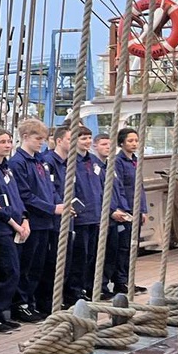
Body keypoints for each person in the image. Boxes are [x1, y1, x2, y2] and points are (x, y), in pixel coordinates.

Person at [9, 119, 62, 321]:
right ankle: (20, 304)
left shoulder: (41, 161)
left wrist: (59, 204)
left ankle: (31, 301)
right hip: (33, 222)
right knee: (27, 265)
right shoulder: (18, 163)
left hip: (46, 222)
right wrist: (51, 208)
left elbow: (50, 188)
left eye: (43, 139)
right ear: (25, 137)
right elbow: (25, 194)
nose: (42, 142)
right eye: (38, 138)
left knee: (39, 264)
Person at [0, 128, 30, 333]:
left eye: (10, 141)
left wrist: (25, 218)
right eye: (2, 142)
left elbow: (16, 196)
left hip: (16, 225)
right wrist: (13, 222)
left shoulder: (6, 168)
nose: (8, 145)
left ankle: (1, 312)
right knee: (6, 271)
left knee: (15, 270)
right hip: (1, 228)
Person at [105, 127, 147, 297]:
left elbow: (140, 187)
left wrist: (143, 210)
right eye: (130, 141)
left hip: (136, 210)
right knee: (122, 248)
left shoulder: (135, 161)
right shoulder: (118, 162)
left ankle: (128, 279)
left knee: (132, 247)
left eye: (136, 140)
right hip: (126, 211)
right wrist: (123, 210)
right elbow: (118, 187)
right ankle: (120, 282)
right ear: (121, 142)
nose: (134, 144)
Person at [67, 125, 102, 304]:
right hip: (79, 218)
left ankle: (86, 286)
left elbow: (100, 187)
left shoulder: (93, 161)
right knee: (79, 256)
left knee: (91, 256)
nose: (87, 141)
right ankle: (74, 290)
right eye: (83, 138)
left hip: (94, 216)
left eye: (89, 138)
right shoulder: (70, 162)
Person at [39, 127, 71, 313]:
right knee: (51, 262)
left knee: (67, 261)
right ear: (59, 141)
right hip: (52, 219)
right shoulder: (48, 161)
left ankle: (60, 297)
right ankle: (46, 301)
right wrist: (54, 207)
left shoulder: (69, 162)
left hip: (65, 216)